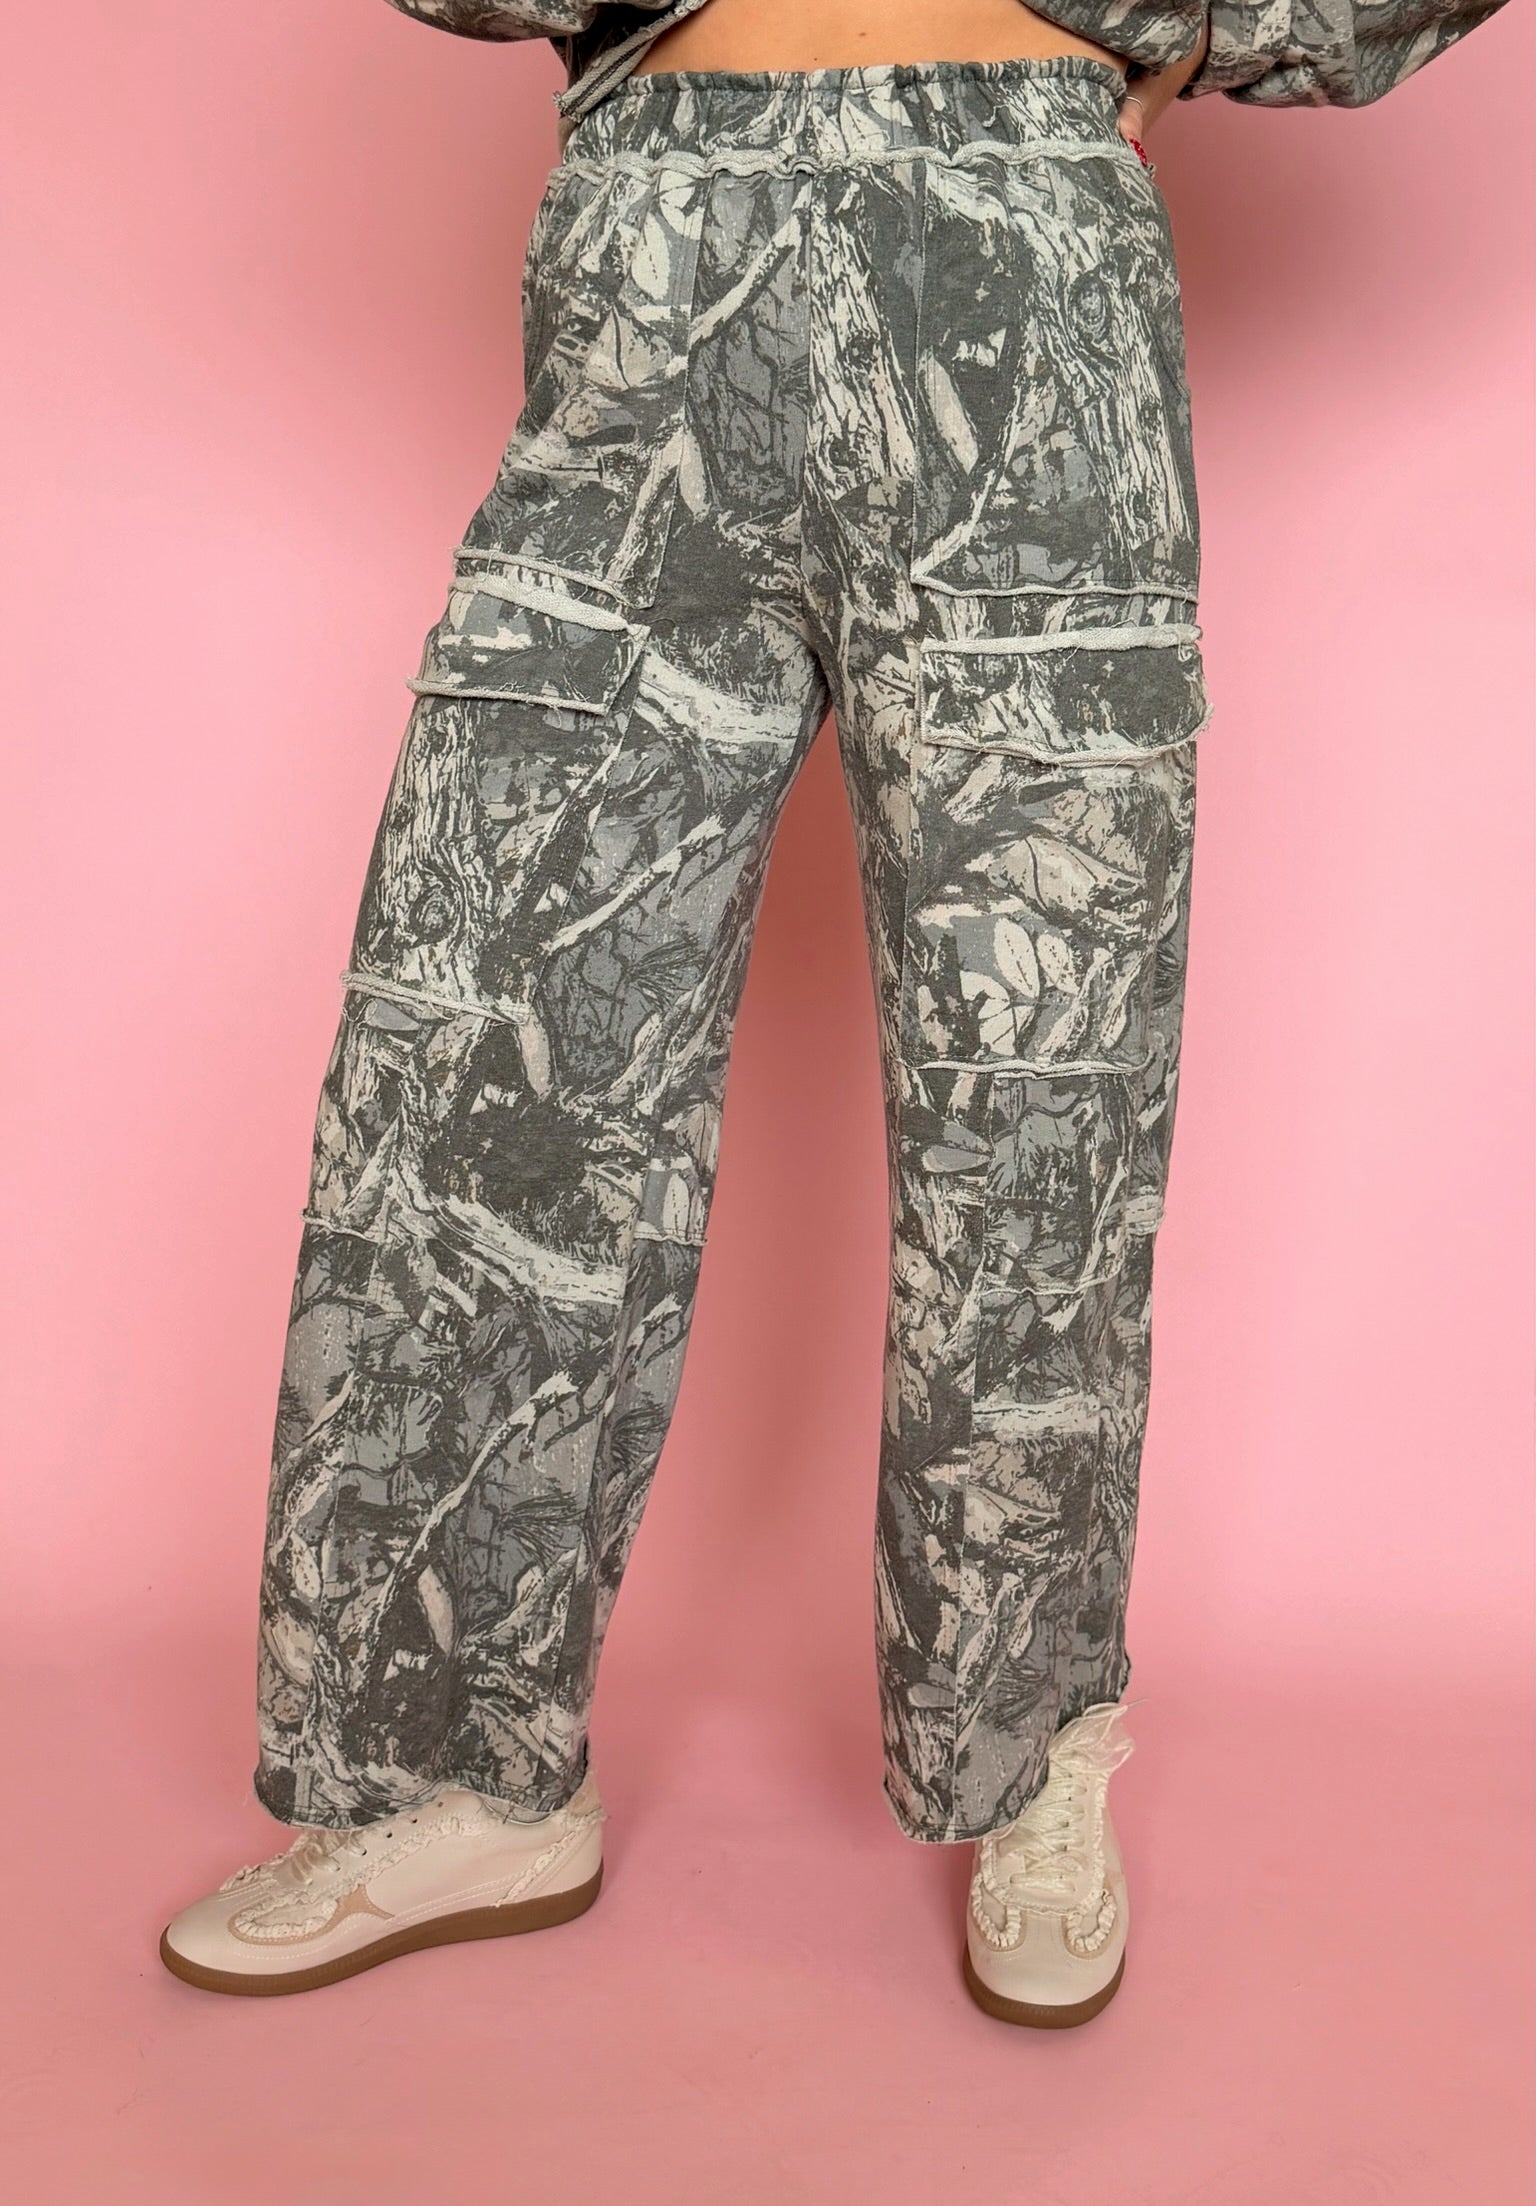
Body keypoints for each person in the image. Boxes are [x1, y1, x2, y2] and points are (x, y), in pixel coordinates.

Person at [159, 0, 1507, 2024]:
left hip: (1020, 252)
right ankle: (449, 1773)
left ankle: (1031, 1752)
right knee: (489, 1061)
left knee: (1035, 1083)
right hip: (655, 250)